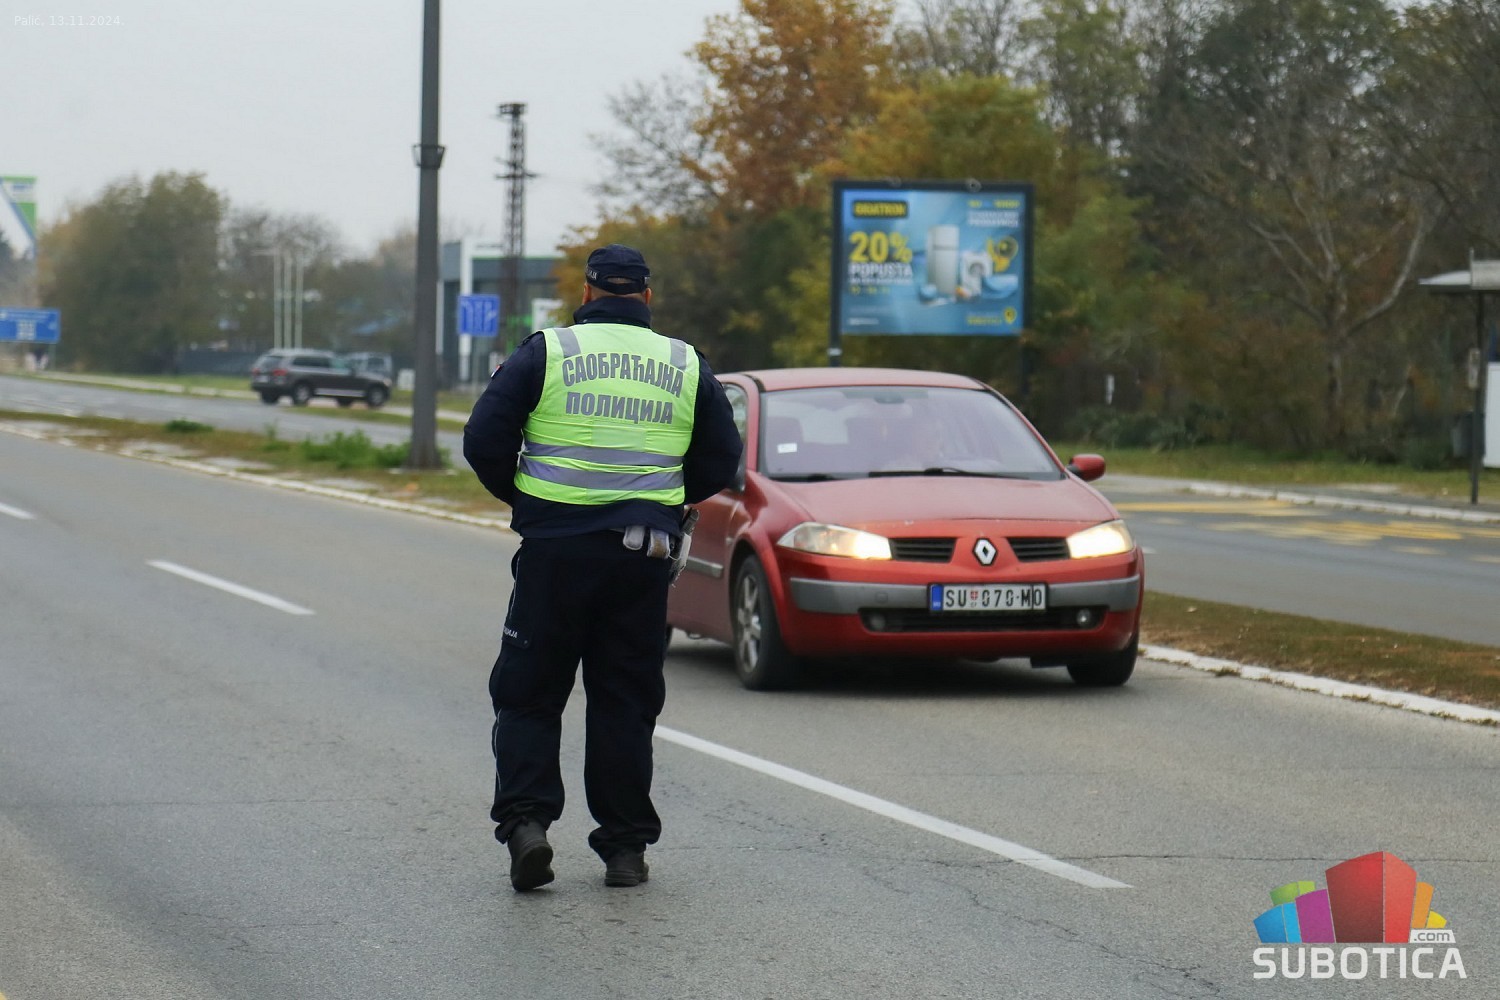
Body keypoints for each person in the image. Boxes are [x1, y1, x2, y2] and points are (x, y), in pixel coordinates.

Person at [463, 244, 742, 891]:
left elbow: (483, 439)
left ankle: (527, 826)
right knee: (624, 700)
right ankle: (624, 849)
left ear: (587, 293)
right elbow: (720, 460)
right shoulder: (684, 363)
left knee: (530, 694)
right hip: (640, 559)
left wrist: (529, 501)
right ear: (647, 297)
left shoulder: (548, 352)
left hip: (555, 555)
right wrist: (663, 500)